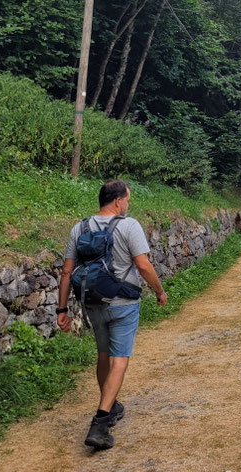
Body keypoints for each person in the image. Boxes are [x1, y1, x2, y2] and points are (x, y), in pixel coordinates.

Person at [56, 179, 168, 450]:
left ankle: (111, 403)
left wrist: (62, 310)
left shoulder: (79, 228)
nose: (128, 205)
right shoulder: (129, 225)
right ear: (118, 201)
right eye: (127, 200)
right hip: (123, 303)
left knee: (103, 356)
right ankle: (101, 421)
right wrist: (159, 291)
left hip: (92, 303)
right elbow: (142, 265)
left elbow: (67, 272)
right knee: (120, 360)